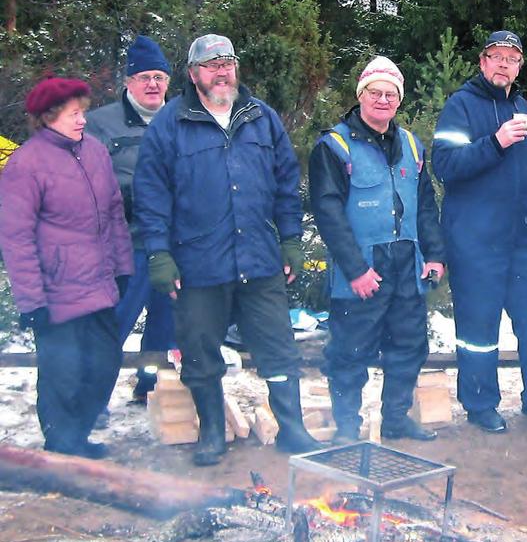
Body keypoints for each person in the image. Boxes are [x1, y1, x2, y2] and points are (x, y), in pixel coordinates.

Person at [134, 34, 321, 466]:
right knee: (199, 352)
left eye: (229, 63)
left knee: (278, 349)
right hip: (198, 263)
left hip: (259, 259)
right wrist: (158, 254)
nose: (222, 71)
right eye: (212, 64)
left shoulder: (262, 118)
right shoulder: (170, 124)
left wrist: (290, 240)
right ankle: (213, 434)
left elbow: (286, 184)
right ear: (193, 73)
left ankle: (292, 429)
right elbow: (151, 195)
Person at [309, 56, 445, 443]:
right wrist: (354, 270)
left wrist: (434, 254)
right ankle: (347, 428)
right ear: (361, 95)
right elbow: (328, 213)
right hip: (363, 266)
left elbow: (425, 207)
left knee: (409, 346)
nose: (383, 100)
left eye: (391, 94)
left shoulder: (411, 145)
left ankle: (397, 419)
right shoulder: (334, 146)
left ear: (398, 101)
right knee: (349, 352)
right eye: (375, 92)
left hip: (406, 262)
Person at [0, 77, 133, 459]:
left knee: (105, 365)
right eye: (74, 114)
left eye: (83, 113)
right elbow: (16, 238)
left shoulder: (94, 151)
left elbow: (112, 213)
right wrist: (31, 302)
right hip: (56, 292)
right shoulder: (26, 164)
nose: (82, 121)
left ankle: (79, 434)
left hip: (99, 285)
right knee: (62, 375)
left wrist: (122, 268)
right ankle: (61, 448)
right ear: (48, 117)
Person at [432, 30, 527, 433]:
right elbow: (446, 166)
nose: (504, 64)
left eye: (512, 58)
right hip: (476, 241)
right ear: (483, 62)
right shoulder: (460, 106)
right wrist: (496, 142)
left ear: (520, 67)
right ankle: (480, 404)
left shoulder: (523, 107)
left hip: (524, 240)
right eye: (497, 57)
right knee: (479, 328)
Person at [86, 35, 175, 406]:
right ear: (128, 82)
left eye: (159, 76)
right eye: (144, 77)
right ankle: (90, 401)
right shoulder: (99, 124)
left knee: (168, 326)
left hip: (176, 246)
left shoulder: (184, 117)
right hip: (127, 247)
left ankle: (153, 390)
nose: (152, 84)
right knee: (113, 324)